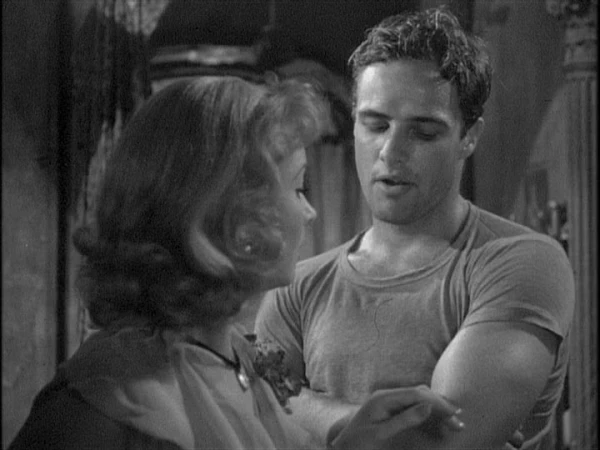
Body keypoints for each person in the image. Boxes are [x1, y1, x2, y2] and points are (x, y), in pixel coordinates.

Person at [8, 76, 468, 450]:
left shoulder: (234, 357)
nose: (309, 212)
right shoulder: (110, 400)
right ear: (232, 213)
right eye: (297, 188)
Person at [255, 7, 575, 450]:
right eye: (375, 125)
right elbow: (252, 421)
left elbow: (440, 441)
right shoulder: (296, 287)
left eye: (423, 133)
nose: (390, 151)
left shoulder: (519, 260)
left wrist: (298, 406)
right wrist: (353, 423)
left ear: (469, 136)